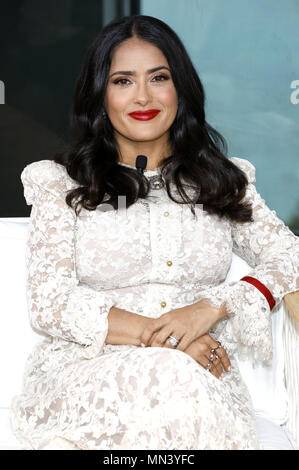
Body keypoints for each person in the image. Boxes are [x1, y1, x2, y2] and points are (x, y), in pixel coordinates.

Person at [10, 14, 299, 450]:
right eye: (122, 81)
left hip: (201, 381)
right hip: (88, 373)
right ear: (99, 95)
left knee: (182, 385)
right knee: (174, 375)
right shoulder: (64, 184)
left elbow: (289, 257)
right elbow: (51, 304)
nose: (142, 96)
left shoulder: (223, 182)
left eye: (158, 77)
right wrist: (168, 340)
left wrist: (212, 307)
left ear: (180, 88)